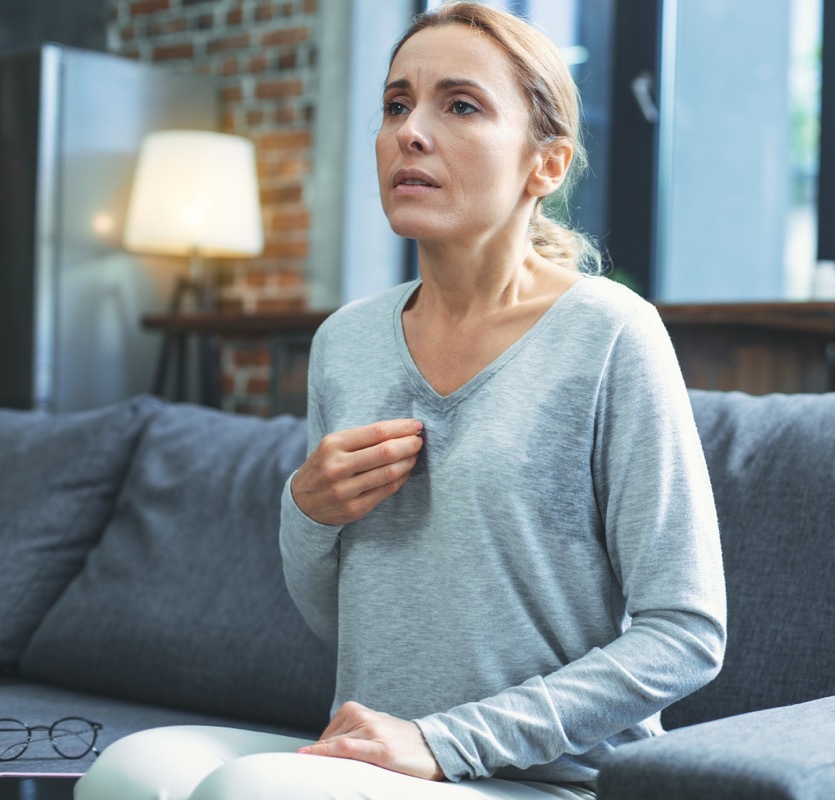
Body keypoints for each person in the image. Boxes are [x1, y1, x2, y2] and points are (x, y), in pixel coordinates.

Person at [74, 3, 725, 798]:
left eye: (459, 105)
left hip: (545, 776)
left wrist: (443, 741)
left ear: (545, 165)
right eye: (395, 105)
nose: (410, 132)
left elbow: (686, 634)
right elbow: (343, 624)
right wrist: (307, 512)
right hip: (374, 759)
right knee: (128, 774)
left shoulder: (611, 335)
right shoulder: (346, 343)